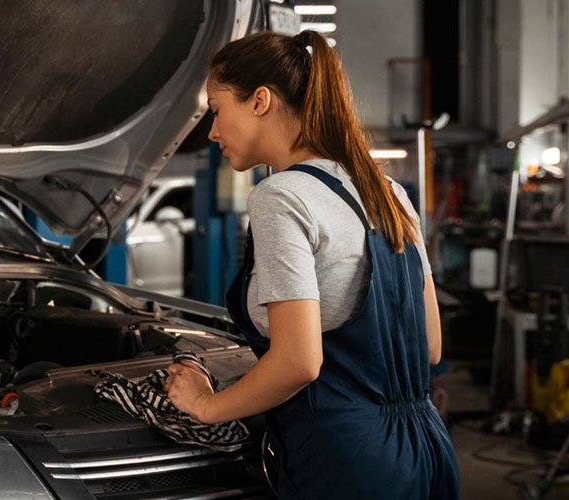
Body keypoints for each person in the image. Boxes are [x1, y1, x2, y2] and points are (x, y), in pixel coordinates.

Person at [163, 30, 460, 499]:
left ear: (260, 100)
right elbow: (430, 347)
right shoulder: (389, 192)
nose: (214, 131)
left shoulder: (281, 196)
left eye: (217, 110)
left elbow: (298, 363)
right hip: (425, 451)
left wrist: (206, 404)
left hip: (345, 463)